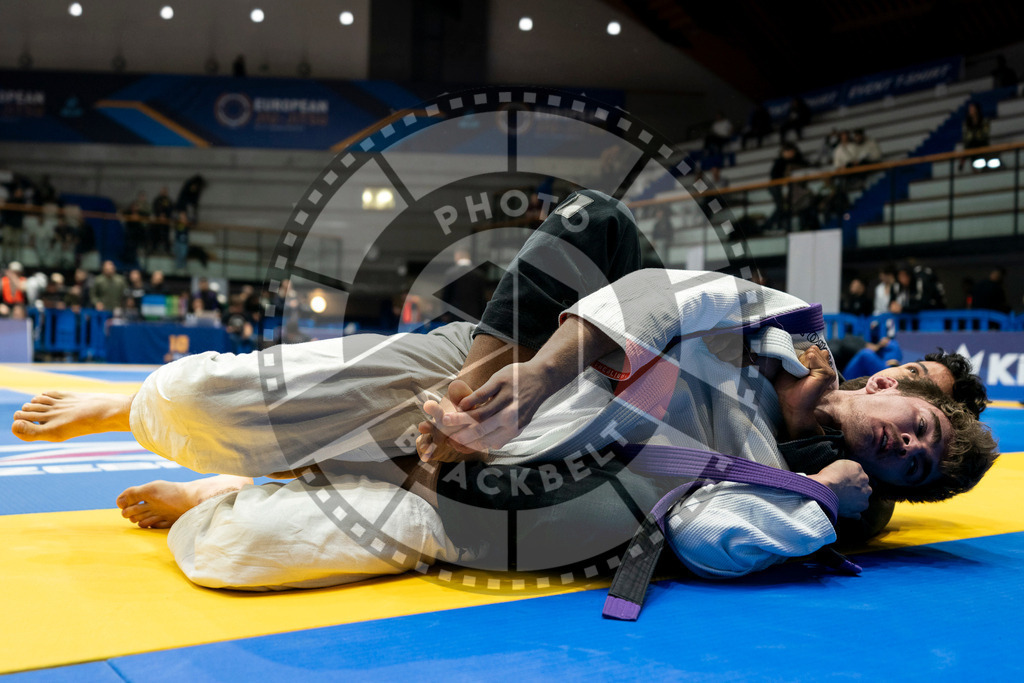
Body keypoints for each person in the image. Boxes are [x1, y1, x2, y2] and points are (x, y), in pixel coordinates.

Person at [10, 192, 997, 593]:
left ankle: (225, 493)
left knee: (242, 555)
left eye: (913, 449)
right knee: (204, 407)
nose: (899, 407)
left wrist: (825, 495)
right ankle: (139, 411)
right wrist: (509, 379)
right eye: (912, 395)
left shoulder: (816, 496)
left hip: (517, 494)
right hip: (494, 367)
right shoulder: (785, 327)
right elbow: (634, 272)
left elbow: (707, 537)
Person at [959, 102, 990, 172]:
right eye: (970, 109)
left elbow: (984, 134)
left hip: (981, 143)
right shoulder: (967, 123)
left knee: (972, 145)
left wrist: (975, 136)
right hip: (971, 145)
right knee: (970, 146)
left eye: (972, 109)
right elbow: (966, 137)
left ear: (976, 110)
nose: (970, 111)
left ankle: (968, 163)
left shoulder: (983, 121)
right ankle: (971, 165)